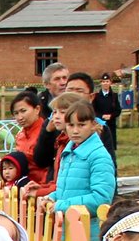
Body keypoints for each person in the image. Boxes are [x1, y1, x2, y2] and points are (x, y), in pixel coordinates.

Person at [47, 96, 117, 225]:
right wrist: (52, 197)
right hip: (67, 227)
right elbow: (69, 190)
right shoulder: (68, 153)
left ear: (93, 124)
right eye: (71, 125)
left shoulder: (99, 156)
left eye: (81, 125)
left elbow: (101, 199)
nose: (75, 131)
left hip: (89, 231)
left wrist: (62, 205)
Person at [10, 90, 55, 193]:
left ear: (37, 109)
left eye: (23, 111)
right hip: (23, 186)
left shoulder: (47, 133)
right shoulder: (20, 135)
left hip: (43, 187)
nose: (20, 117)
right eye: (16, 113)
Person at [94, 73, 122, 157]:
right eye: (104, 81)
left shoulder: (114, 96)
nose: (105, 83)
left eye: (107, 81)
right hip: (100, 126)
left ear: (110, 83)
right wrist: (101, 116)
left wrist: (111, 116)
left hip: (111, 125)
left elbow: (118, 110)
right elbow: (93, 110)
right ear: (101, 83)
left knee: (111, 149)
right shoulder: (96, 97)